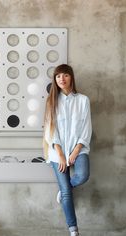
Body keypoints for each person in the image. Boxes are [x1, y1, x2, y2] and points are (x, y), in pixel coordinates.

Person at [43, 64, 92, 236]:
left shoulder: (83, 100)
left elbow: (86, 127)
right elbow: (51, 130)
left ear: (71, 77)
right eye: (58, 76)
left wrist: (76, 151)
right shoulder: (52, 102)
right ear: (55, 80)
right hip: (58, 150)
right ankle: (74, 230)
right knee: (66, 194)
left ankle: (65, 189)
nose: (61, 79)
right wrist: (62, 155)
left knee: (83, 176)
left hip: (79, 147)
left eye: (65, 75)